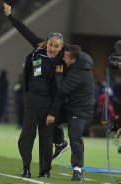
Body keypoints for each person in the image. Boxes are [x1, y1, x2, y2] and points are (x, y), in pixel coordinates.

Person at [3, 2, 66, 178]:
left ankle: (45, 172)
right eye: (51, 44)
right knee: (26, 137)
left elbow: (60, 92)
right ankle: (26, 168)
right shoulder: (39, 48)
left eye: (56, 46)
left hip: (49, 103)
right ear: (47, 42)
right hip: (32, 100)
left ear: (62, 47)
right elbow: (25, 31)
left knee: (46, 140)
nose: (52, 48)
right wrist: (10, 16)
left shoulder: (62, 61)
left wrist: (54, 112)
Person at [55, 45, 95, 181]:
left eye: (66, 58)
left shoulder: (77, 74)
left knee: (75, 136)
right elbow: (68, 47)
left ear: (73, 60)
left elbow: (62, 90)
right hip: (71, 105)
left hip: (80, 108)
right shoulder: (79, 59)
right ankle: (60, 144)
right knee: (48, 120)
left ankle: (77, 170)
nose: (63, 59)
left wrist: (59, 75)